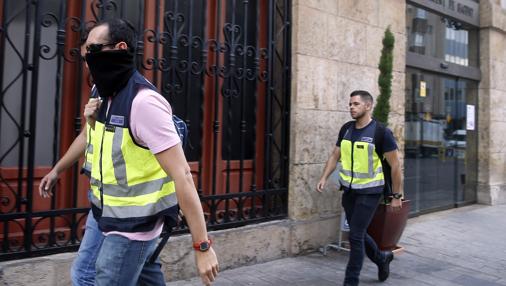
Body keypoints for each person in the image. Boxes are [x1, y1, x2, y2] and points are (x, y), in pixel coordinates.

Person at [81, 18, 218, 286]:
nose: (87, 59)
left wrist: (202, 246)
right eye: (85, 53)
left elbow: (183, 175)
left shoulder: (144, 103)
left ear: (119, 48)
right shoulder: (103, 94)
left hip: (133, 228)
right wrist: (91, 122)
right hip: (107, 216)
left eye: (93, 51)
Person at [316, 90, 403, 286]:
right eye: (350, 104)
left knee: (355, 235)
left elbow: (396, 166)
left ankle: (351, 281)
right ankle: (382, 258)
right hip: (349, 192)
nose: (351, 107)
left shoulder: (381, 132)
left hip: (371, 192)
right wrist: (324, 177)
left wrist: (396, 195)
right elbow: (335, 155)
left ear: (368, 106)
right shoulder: (346, 128)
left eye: (355, 104)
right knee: (358, 232)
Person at [39, 42, 105, 286]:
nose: (88, 63)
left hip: (123, 202)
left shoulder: (133, 95)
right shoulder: (99, 89)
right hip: (103, 195)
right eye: (86, 58)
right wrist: (57, 170)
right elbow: (87, 135)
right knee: (144, 272)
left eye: (92, 56)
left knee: (84, 272)